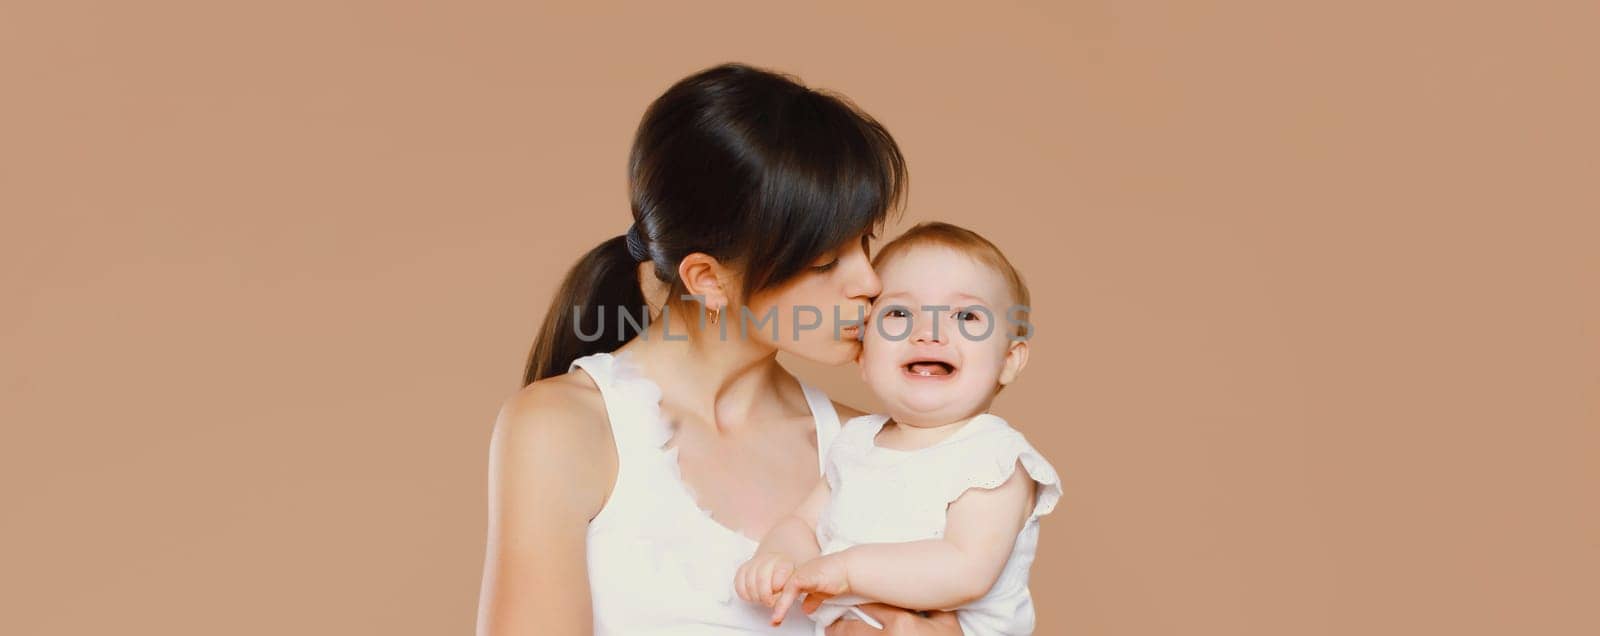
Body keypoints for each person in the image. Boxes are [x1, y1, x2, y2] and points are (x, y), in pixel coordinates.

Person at [474, 63, 963, 635]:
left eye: (865, 242)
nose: (870, 283)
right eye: (826, 261)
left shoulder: (869, 450)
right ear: (707, 278)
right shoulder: (564, 429)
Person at [733, 222, 1060, 635]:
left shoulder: (994, 457)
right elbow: (803, 524)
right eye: (900, 313)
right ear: (863, 356)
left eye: (966, 315)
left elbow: (966, 568)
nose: (929, 333)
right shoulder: (856, 444)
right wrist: (778, 557)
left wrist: (846, 572)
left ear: (1009, 359)